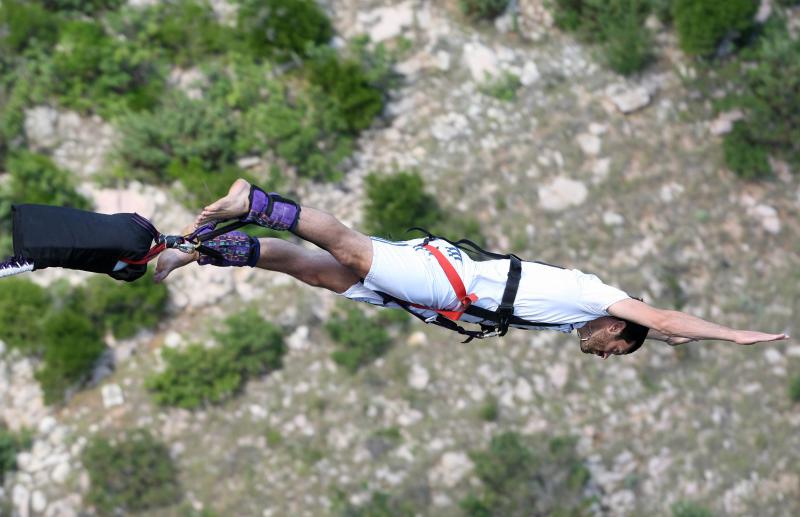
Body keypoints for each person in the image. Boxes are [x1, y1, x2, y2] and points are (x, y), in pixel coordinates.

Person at [154, 179, 789, 358]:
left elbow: (665, 328)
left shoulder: (581, 318)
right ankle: (252, 202)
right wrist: (733, 334)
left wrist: (673, 334)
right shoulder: (603, 301)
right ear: (620, 328)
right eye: (615, 350)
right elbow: (665, 318)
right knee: (347, 248)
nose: (603, 352)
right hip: (448, 282)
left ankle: (195, 249)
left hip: (441, 297)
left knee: (310, 270)